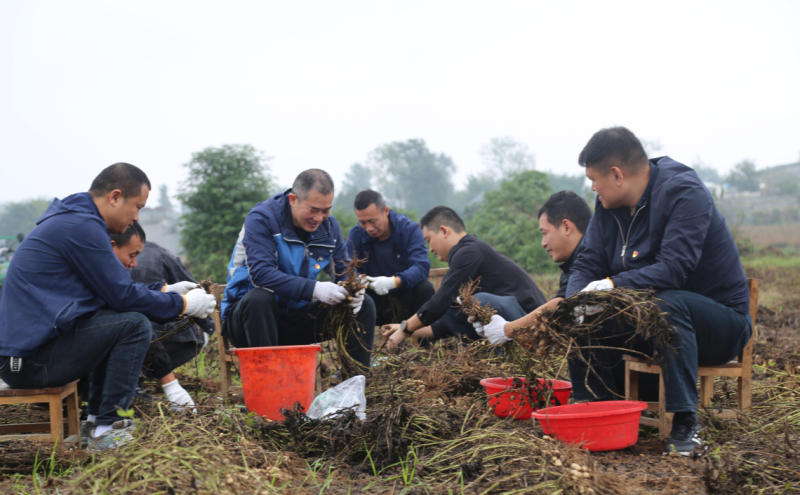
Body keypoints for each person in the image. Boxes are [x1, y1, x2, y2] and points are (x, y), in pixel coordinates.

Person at [0, 163, 215, 452]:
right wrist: (184, 304)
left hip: (28, 355)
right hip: (27, 362)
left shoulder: (76, 222)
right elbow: (121, 296)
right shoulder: (82, 227)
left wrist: (164, 290)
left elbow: (109, 294)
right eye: (137, 207)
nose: (137, 217)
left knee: (114, 320)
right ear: (115, 197)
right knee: (132, 324)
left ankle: (96, 423)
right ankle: (109, 428)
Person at [565, 126, 752, 455]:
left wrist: (611, 285)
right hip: (655, 324)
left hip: (719, 325)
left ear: (617, 174)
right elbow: (586, 262)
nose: (592, 188)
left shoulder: (683, 192)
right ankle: (597, 413)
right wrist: (576, 300)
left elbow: (675, 268)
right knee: (584, 316)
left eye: (594, 179)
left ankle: (686, 425)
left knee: (663, 304)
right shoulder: (607, 207)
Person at [221, 169, 375, 371]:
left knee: (364, 306)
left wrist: (353, 289)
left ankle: (353, 381)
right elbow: (261, 274)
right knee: (260, 298)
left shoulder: (329, 228)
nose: (319, 217)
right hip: (251, 322)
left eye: (326, 210)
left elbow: (344, 269)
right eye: (313, 210)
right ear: (293, 199)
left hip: (294, 319)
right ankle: (271, 385)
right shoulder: (262, 220)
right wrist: (316, 289)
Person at [383, 206, 547, 351]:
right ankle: (484, 360)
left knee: (474, 301)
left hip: (536, 330)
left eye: (429, 240)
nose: (430, 248)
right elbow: (443, 324)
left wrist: (405, 331)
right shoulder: (468, 252)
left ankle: (501, 359)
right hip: (518, 322)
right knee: (456, 305)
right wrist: (402, 327)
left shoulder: (469, 251)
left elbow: (440, 301)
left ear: (444, 231)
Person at [110, 223, 214, 414]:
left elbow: (133, 294)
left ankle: (134, 380)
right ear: (112, 245)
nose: (134, 264)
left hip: (148, 328)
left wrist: (166, 291)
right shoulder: (160, 255)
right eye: (132, 256)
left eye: (136, 256)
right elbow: (133, 302)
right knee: (138, 323)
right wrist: (171, 385)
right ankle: (132, 383)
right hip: (143, 330)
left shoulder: (116, 265)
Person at [470, 191, 591, 345]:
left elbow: (563, 304)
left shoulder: (590, 257)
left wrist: (507, 330)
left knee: (483, 300)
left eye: (545, 233)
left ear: (567, 227)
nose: (543, 243)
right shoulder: (574, 263)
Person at [346, 190, 435, 326]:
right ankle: (359, 345)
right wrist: (360, 281)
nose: (368, 228)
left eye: (372, 221)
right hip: (373, 301)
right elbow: (348, 269)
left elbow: (421, 266)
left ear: (385, 211)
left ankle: (424, 342)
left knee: (425, 288)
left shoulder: (409, 230)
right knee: (351, 296)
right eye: (362, 223)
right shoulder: (356, 235)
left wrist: (394, 282)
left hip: (405, 296)